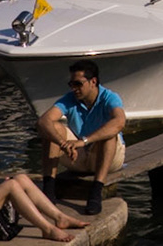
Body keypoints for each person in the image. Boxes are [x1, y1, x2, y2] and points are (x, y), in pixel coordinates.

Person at [37, 59, 126, 214]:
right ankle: (49, 191)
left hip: (108, 157)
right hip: (78, 155)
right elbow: (44, 121)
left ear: (93, 82)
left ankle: (96, 191)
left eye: (78, 84)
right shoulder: (70, 98)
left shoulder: (109, 97)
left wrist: (84, 141)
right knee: (53, 128)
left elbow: (119, 121)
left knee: (109, 135)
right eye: (71, 84)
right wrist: (63, 143)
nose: (74, 88)